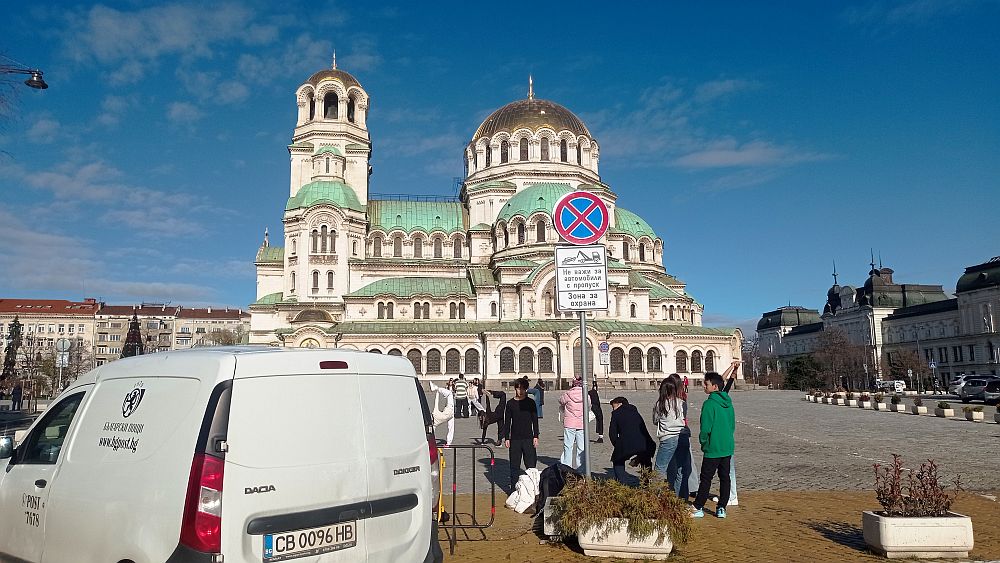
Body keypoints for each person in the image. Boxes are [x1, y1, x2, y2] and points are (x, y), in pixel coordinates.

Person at [691, 371, 736, 519]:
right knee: (725, 477)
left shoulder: (709, 404)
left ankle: (698, 506)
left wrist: (704, 443)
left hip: (713, 447)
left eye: (706, 383)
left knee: (706, 478)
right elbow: (732, 424)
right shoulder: (728, 402)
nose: (704, 386)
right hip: (727, 446)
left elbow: (705, 429)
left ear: (715, 386)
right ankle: (721, 507)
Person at [502, 377, 539, 492]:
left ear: (526, 389)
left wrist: (536, 436)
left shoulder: (530, 403)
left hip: (528, 438)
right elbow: (507, 421)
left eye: (523, 388)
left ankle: (533, 490)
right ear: (515, 389)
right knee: (514, 467)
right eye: (518, 388)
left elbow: (535, 420)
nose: (520, 391)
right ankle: (513, 491)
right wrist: (507, 437)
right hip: (515, 440)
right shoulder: (510, 404)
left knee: (531, 466)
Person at [607, 396, 655, 483]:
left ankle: (622, 482)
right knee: (645, 459)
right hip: (645, 443)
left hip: (626, 443)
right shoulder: (635, 411)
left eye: (614, 407)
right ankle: (647, 482)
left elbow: (612, 434)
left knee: (617, 460)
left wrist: (617, 446)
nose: (613, 409)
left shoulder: (616, 414)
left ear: (619, 404)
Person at [652, 377, 686, 495]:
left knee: (660, 468)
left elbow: (655, 421)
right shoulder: (681, 402)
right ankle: (679, 496)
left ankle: (656, 496)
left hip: (668, 438)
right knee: (680, 468)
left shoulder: (660, 404)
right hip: (682, 436)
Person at [558, 376, 585, 469]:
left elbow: (560, 401)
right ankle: (581, 467)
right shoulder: (586, 394)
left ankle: (567, 466)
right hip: (582, 423)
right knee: (581, 447)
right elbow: (589, 405)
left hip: (569, 423)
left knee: (568, 446)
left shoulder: (567, 394)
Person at [429, 380, 456, 446]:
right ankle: (448, 443)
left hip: (445, 415)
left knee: (451, 427)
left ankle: (430, 441)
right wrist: (438, 391)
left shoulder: (435, 423)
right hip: (449, 413)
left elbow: (433, 430)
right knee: (449, 394)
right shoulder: (435, 413)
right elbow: (437, 402)